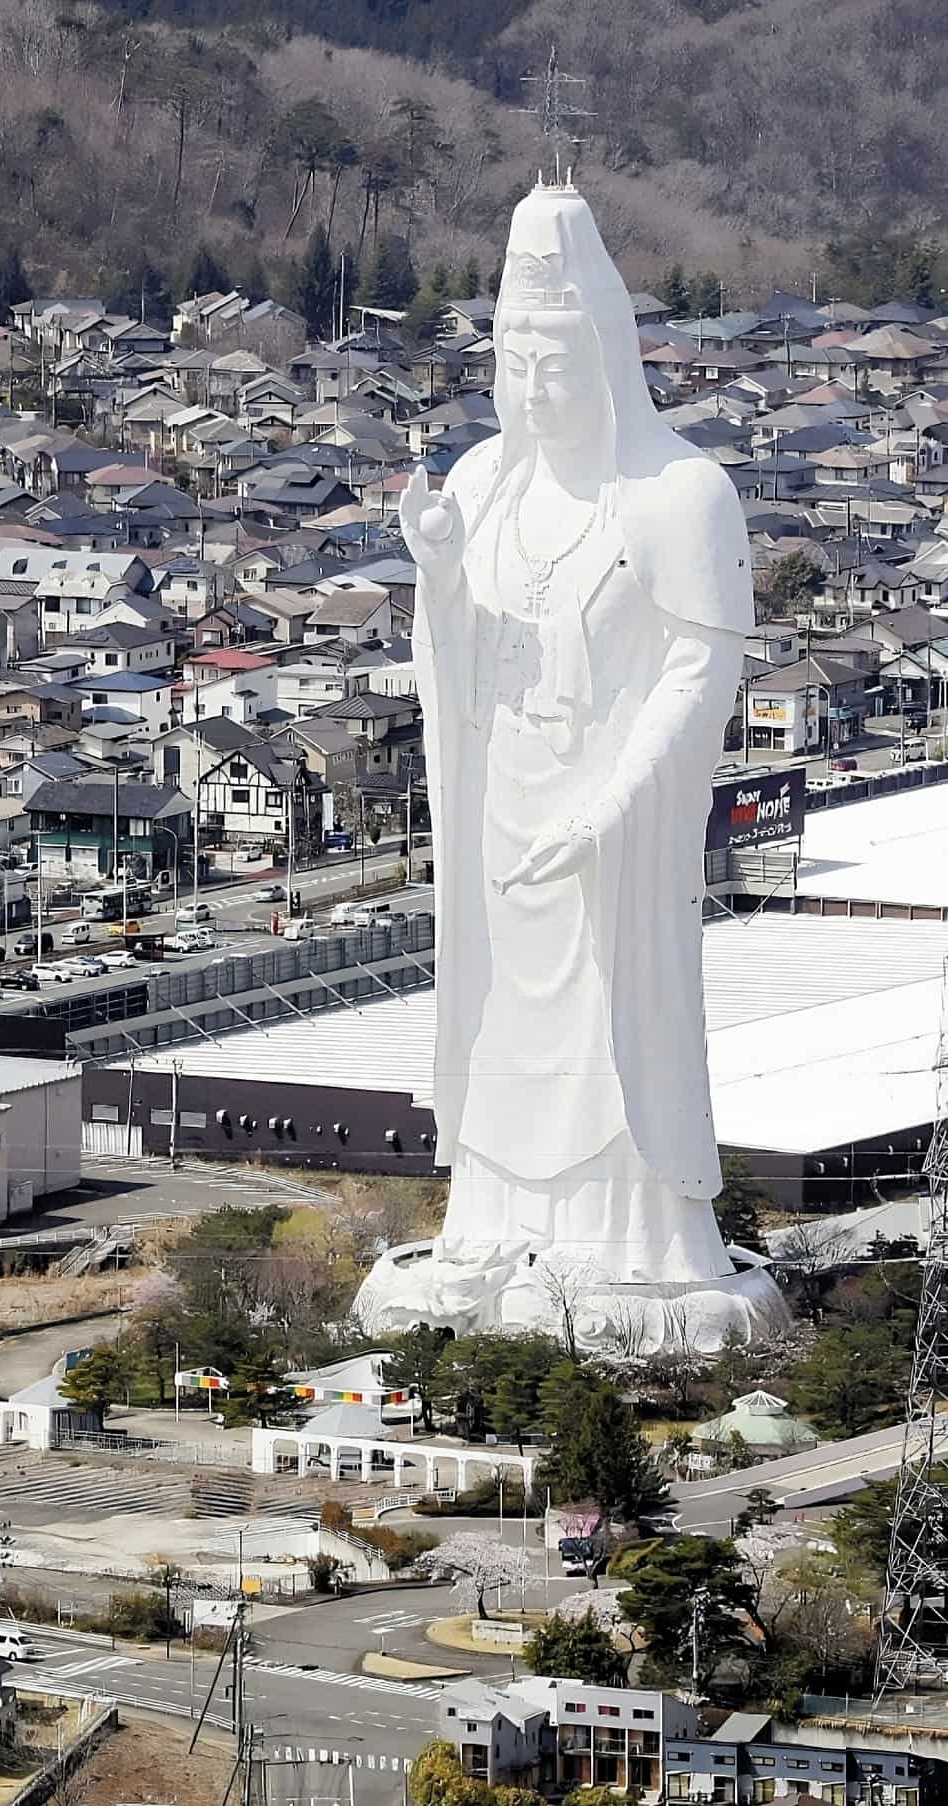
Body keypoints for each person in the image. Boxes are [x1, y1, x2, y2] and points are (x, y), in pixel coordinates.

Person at [355, 180, 787, 1351]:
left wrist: (614, 802)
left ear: (605, 354)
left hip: (616, 814)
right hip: (508, 797)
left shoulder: (676, 491)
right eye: (514, 360)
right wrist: (437, 568)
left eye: (556, 361)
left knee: (613, 1010)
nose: (535, 388)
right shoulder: (486, 479)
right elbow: (457, 649)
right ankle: (491, 1225)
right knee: (498, 1008)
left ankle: (636, 1244)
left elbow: (701, 667)